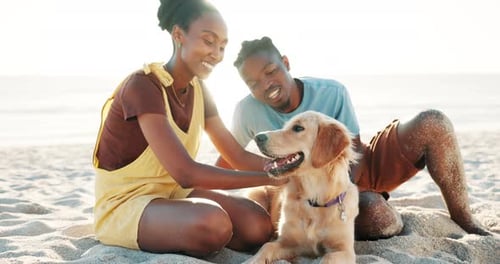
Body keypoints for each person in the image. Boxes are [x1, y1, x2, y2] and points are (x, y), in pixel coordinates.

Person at [215, 36, 491, 240]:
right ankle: (380, 209)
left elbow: (356, 150)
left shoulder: (331, 91)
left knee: (434, 122)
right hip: (311, 197)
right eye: (253, 83)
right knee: (376, 217)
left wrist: (347, 193)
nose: (266, 85)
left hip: (357, 167)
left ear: (285, 64)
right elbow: (225, 162)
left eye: (271, 72)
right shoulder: (246, 111)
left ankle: (464, 217)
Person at [92, 2, 287, 258]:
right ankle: (178, 225)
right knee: (214, 224)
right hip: (125, 204)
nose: (216, 54)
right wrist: (273, 177)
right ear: (178, 35)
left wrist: (288, 168)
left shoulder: (199, 89)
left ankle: (178, 223)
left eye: (222, 46)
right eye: (208, 41)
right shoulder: (143, 85)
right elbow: (186, 173)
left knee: (257, 224)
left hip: (172, 194)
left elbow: (235, 156)